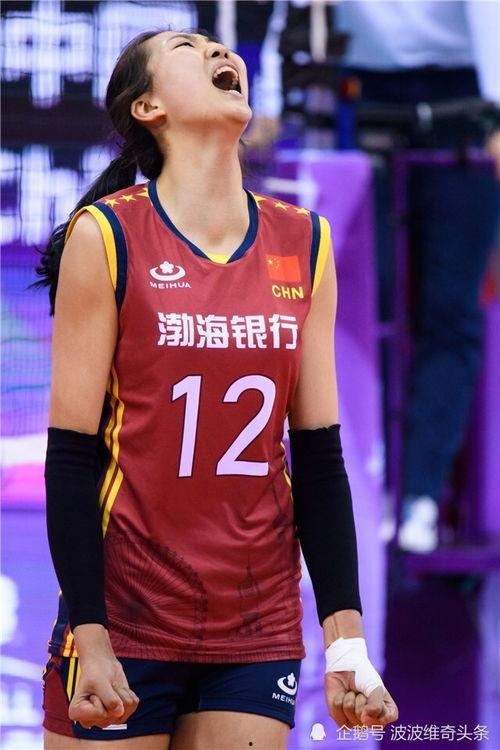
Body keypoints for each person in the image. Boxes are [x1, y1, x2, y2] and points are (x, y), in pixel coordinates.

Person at [31, 28, 398, 747]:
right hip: (127, 611)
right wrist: (89, 633)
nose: (217, 52)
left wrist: (346, 643)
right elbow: (71, 456)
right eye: (187, 48)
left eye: (219, 47)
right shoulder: (105, 235)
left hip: (255, 621)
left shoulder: (306, 241)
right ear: (148, 108)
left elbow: (319, 458)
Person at [247, 0, 500, 553]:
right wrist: (264, 102)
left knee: (450, 309)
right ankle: (367, 485)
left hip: (465, 102)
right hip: (354, 96)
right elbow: (280, 12)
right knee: (357, 309)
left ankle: (421, 495)